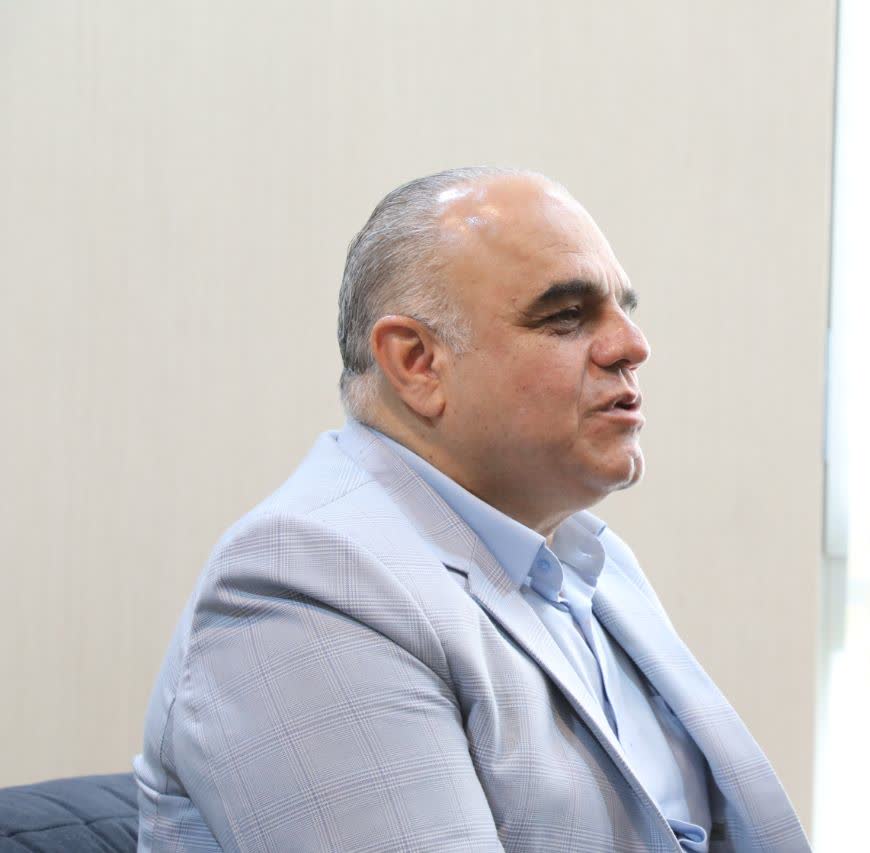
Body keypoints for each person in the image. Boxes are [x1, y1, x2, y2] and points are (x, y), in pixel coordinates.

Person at [134, 167, 809, 852]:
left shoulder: (584, 556)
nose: (632, 346)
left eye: (623, 309)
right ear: (417, 363)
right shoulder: (308, 580)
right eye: (567, 317)